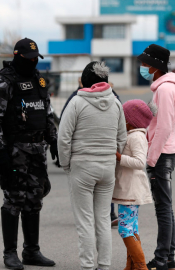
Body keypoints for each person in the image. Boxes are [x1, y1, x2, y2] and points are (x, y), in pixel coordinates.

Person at [0, 38, 57, 270]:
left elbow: (46, 113)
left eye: (36, 58)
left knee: (35, 198)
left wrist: (53, 139)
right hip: (14, 150)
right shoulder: (3, 81)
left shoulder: (38, 79)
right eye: (29, 59)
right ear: (17, 56)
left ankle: (32, 251)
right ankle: (10, 254)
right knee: (14, 198)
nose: (34, 62)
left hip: (37, 149)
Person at [58, 61, 127, 270]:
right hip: (107, 168)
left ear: (85, 81)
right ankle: (104, 266)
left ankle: (87, 266)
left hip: (82, 167)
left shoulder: (77, 103)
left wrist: (66, 164)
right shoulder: (116, 103)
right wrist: (112, 159)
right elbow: (122, 138)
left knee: (85, 221)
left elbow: (63, 138)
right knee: (104, 219)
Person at [137, 44, 175, 270]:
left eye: (145, 64)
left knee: (163, 208)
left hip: (161, 154)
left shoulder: (164, 90)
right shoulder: (166, 88)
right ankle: (169, 257)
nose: (143, 67)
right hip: (167, 152)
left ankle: (162, 258)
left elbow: (163, 127)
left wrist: (151, 158)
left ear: (155, 66)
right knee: (166, 207)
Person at [60, 76, 121, 226]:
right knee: (104, 210)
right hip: (107, 159)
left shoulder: (76, 99)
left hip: (83, 159)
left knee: (85, 218)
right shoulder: (114, 98)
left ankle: (92, 220)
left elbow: (64, 133)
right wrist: (115, 156)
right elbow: (122, 133)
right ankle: (109, 215)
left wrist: (65, 163)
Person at [113, 99, 156, 270]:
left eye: (123, 118)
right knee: (131, 229)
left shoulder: (137, 136)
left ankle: (140, 266)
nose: (121, 121)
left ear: (132, 121)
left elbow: (139, 162)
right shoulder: (133, 135)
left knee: (125, 230)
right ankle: (130, 266)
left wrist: (118, 156)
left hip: (131, 192)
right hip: (129, 191)